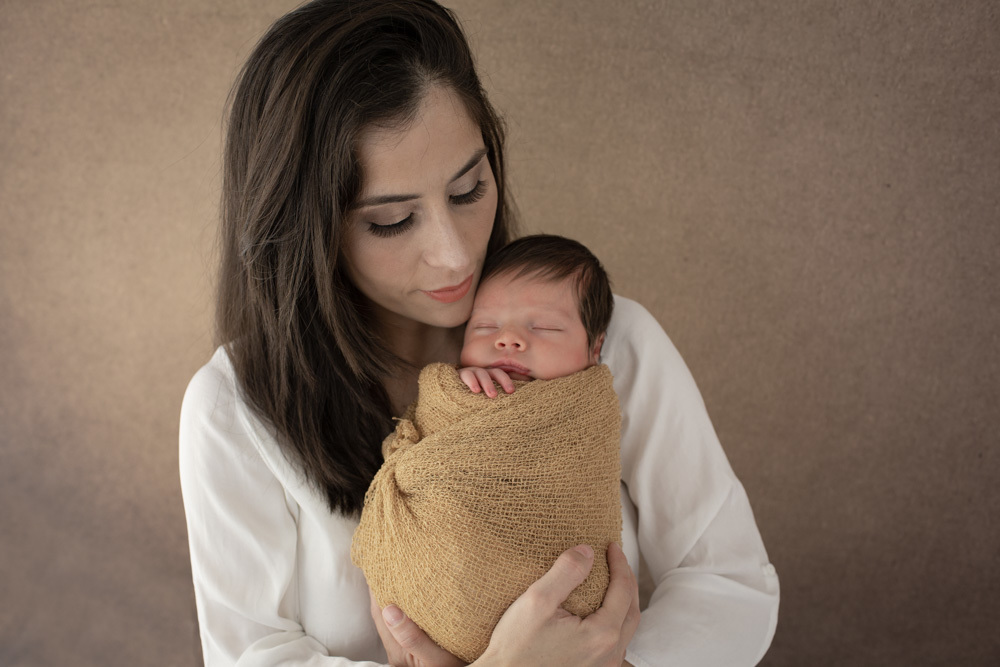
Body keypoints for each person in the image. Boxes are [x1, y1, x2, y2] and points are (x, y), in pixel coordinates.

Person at [178, 1, 780, 665]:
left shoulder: (601, 343)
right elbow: (255, 655)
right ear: (301, 232)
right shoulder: (233, 411)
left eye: (468, 190)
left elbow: (730, 582)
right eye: (390, 222)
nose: (457, 255)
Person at [352, 235, 624, 663]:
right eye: (485, 327)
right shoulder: (460, 388)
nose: (509, 340)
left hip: (566, 613)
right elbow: (430, 433)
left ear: (595, 348)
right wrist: (456, 398)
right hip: (440, 597)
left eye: (544, 327)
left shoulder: (582, 413)